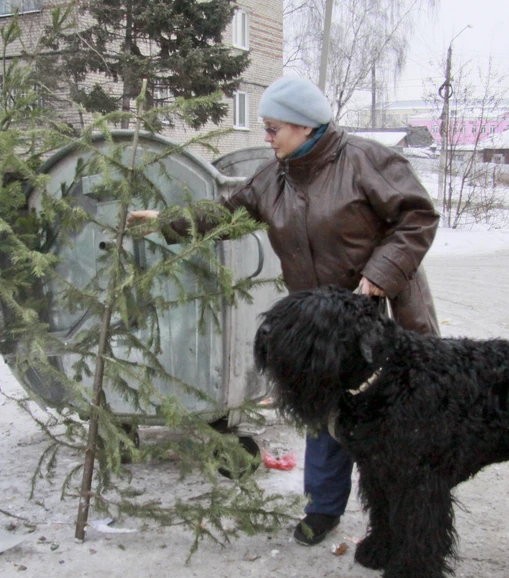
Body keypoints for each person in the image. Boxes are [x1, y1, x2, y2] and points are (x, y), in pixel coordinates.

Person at [129, 76, 440, 546]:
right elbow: (227, 214)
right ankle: (324, 507)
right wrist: (166, 220)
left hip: (385, 310)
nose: (267, 137)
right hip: (322, 327)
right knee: (325, 415)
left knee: (395, 418)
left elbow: (417, 216)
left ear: (303, 125)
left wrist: (380, 273)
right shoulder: (274, 178)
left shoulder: (365, 160)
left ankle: (407, 514)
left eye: (273, 127)